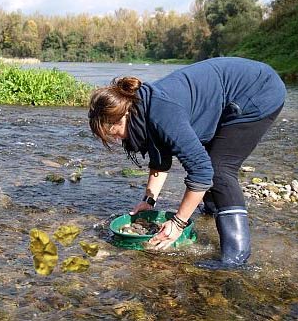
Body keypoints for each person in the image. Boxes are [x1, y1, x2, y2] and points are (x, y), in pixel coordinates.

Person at [88, 57, 286, 269]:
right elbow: (160, 158)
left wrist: (178, 223)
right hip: (230, 92)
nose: (117, 140)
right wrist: (149, 201)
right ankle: (212, 210)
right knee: (207, 155)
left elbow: (202, 171)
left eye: (114, 133)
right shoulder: (141, 109)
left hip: (258, 91)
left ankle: (235, 259)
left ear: (122, 116)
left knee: (219, 169)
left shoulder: (161, 113)